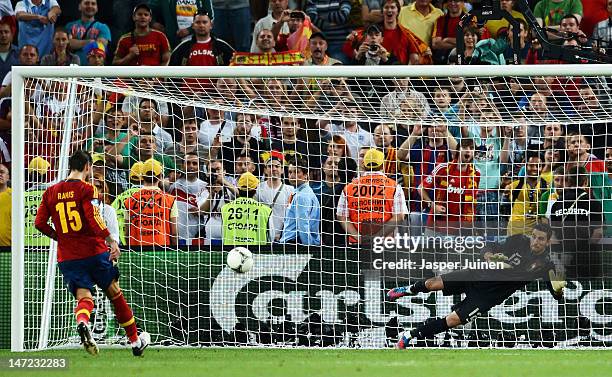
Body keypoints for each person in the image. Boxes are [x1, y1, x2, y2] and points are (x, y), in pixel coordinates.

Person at [34, 150, 149, 356]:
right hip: (94, 252)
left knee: (84, 297)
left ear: (71, 166)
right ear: (87, 167)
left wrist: (59, 237)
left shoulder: (50, 192)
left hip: (68, 256)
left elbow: (39, 223)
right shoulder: (88, 189)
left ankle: (82, 321)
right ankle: (135, 341)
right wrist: (111, 240)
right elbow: (94, 218)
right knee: (115, 293)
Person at [388, 223, 566, 349]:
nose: (535, 241)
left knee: (452, 320)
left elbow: (555, 293)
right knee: (433, 283)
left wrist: (558, 291)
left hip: (489, 296)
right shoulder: (519, 240)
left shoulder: (546, 264)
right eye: (534, 236)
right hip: (477, 275)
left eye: (541, 239)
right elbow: (491, 245)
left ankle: (409, 335)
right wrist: (488, 255)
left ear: (548, 242)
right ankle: (407, 290)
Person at [337, 148, 408, 244]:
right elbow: (399, 216)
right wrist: (377, 237)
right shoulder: (394, 186)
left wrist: (359, 238)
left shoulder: (349, 188)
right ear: (383, 165)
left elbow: (341, 216)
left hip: (357, 245)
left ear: (363, 165)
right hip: (385, 244)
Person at [420, 139, 480, 235]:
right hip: (436, 225)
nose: (468, 150)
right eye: (464, 147)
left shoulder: (476, 174)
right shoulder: (442, 168)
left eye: (471, 148)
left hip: (459, 229)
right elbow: (421, 188)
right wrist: (432, 205)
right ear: (458, 150)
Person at [124, 158, 177, 246]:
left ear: (142, 176)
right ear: (160, 176)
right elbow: (174, 233)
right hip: (162, 250)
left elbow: (127, 234)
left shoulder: (129, 201)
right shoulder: (170, 200)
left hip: (137, 251)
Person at [221, 172, 274, 245]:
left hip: (232, 252)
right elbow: (271, 236)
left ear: (238, 188)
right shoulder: (266, 211)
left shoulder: (225, 208)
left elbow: (223, 234)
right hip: (257, 253)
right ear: (255, 190)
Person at [279, 156, 320, 245]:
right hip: (292, 241)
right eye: (290, 172)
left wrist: (307, 248)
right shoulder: (296, 192)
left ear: (305, 175)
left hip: (295, 243)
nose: (292, 175)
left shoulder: (302, 196)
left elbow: (303, 225)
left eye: (296, 172)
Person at [169, 11, 234, 67]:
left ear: (211, 25)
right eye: (198, 22)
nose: (201, 25)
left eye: (204, 22)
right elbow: (170, 71)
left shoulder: (222, 46)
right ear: (193, 26)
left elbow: (239, 62)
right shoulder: (182, 47)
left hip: (214, 82)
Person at [168, 153, 207, 245]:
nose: (191, 166)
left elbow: (209, 211)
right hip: (175, 237)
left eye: (194, 163)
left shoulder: (205, 186)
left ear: (199, 166)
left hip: (196, 237)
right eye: (188, 163)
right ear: (182, 165)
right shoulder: (173, 185)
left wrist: (201, 211)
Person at [255, 151, 295, 241]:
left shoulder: (291, 191)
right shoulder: (258, 188)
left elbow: (291, 215)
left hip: (282, 237)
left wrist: (282, 233)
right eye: (270, 166)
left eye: (277, 166)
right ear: (265, 170)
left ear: (281, 170)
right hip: (262, 236)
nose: (274, 169)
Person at [149, 0, 214, 48]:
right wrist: (153, 23)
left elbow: (209, 17)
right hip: (172, 42)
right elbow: (150, 8)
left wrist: (189, 30)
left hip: (198, 41)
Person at [65, 0, 111, 66]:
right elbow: (67, 44)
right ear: (79, 6)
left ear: (97, 8)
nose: (90, 6)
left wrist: (76, 43)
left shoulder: (103, 27)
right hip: (73, 70)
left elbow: (101, 46)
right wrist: (90, 42)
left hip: (95, 70)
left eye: (93, 4)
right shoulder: (70, 26)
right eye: (86, 3)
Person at [0, 163, 10, 246]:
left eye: (2, 172)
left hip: (10, 248)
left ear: (8, 177)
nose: (0, 174)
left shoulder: (16, 196)